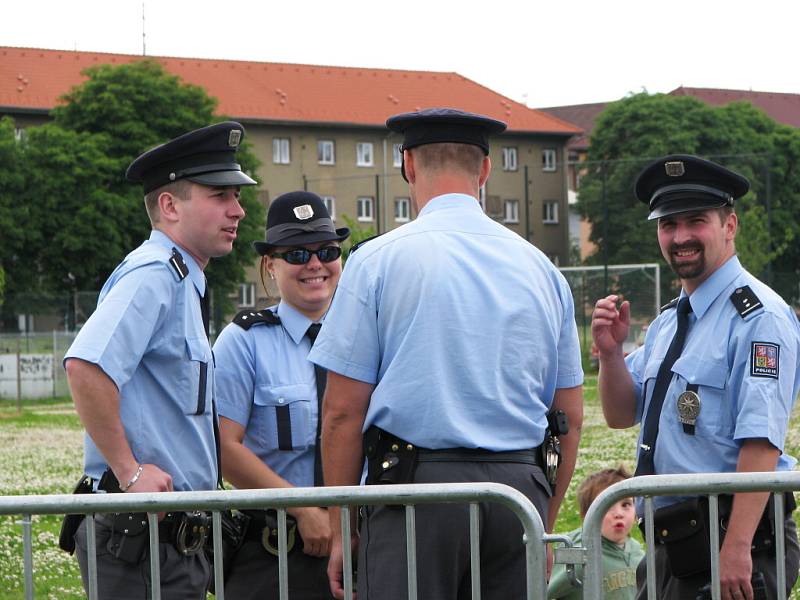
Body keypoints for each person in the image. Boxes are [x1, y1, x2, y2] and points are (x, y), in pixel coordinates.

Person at [309, 107, 584, 600]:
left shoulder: (375, 261)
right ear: (484, 170)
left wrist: (340, 524)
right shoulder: (543, 269)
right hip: (516, 494)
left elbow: (341, 414)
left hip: (416, 496)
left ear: (408, 166)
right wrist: (541, 521)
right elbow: (570, 416)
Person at [591, 154, 800, 600]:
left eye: (695, 221)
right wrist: (610, 355)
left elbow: (761, 441)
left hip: (734, 537)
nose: (680, 237)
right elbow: (620, 414)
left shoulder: (759, 318)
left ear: (729, 225)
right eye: (668, 225)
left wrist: (736, 548)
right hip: (674, 543)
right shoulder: (669, 322)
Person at [63, 121, 256, 599]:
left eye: (236, 195)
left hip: (166, 540)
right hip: (141, 539)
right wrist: (129, 472)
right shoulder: (155, 275)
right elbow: (86, 367)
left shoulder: (181, 281)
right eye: (220, 195)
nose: (239, 210)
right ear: (170, 206)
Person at [213, 191, 349, 600]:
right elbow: (222, 446)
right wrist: (302, 509)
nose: (314, 264)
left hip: (361, 546)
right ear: (270, 265)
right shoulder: (244, 341)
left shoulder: (367, 337)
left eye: (326, 250)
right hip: (274, 554)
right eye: (296, 255)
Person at [548, 466, 643, 600]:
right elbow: (545, 590)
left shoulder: (639, 554)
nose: (619, 514)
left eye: (626, 504)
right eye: (607, 505)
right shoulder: (577, 550)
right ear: (588, 514)